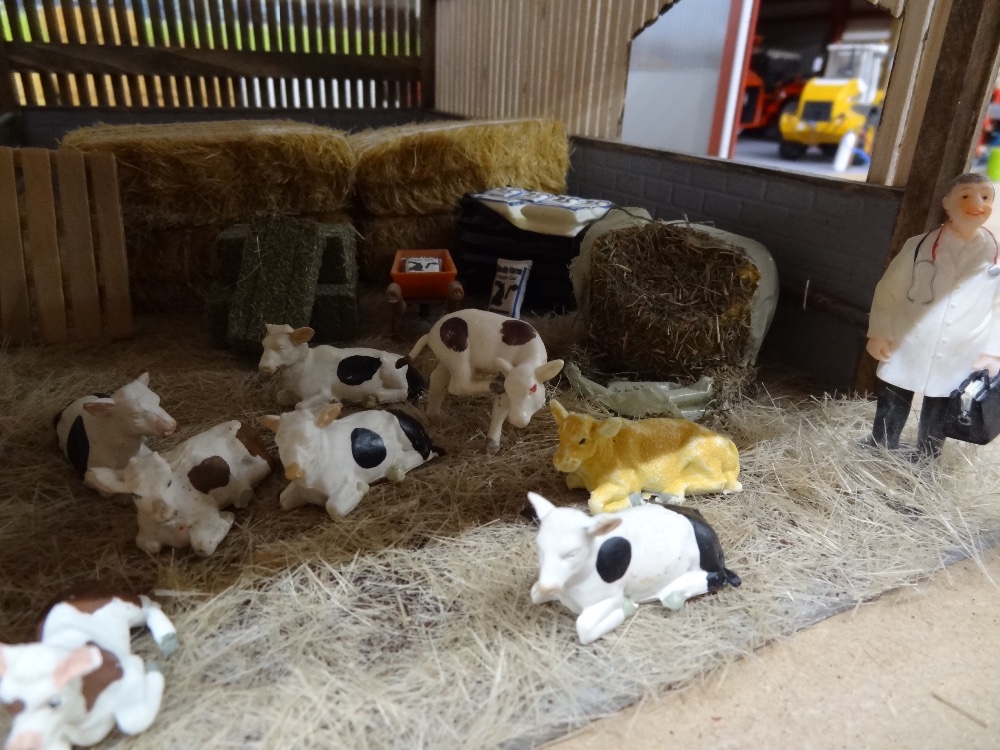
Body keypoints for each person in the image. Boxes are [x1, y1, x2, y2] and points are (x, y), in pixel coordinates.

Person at [865, 172, 1000, 458]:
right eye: (966, 196)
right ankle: (881, 446)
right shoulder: (918, 246)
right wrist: (880, 331)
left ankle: (927, 456)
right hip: (909, 340)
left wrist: (992, 352)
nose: (977, 204)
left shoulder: (995, 256)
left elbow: (998, 307)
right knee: (894, 393)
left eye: (986, 197)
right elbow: (889, 290)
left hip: (960, 350)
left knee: (942, 402)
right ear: (947, 202)